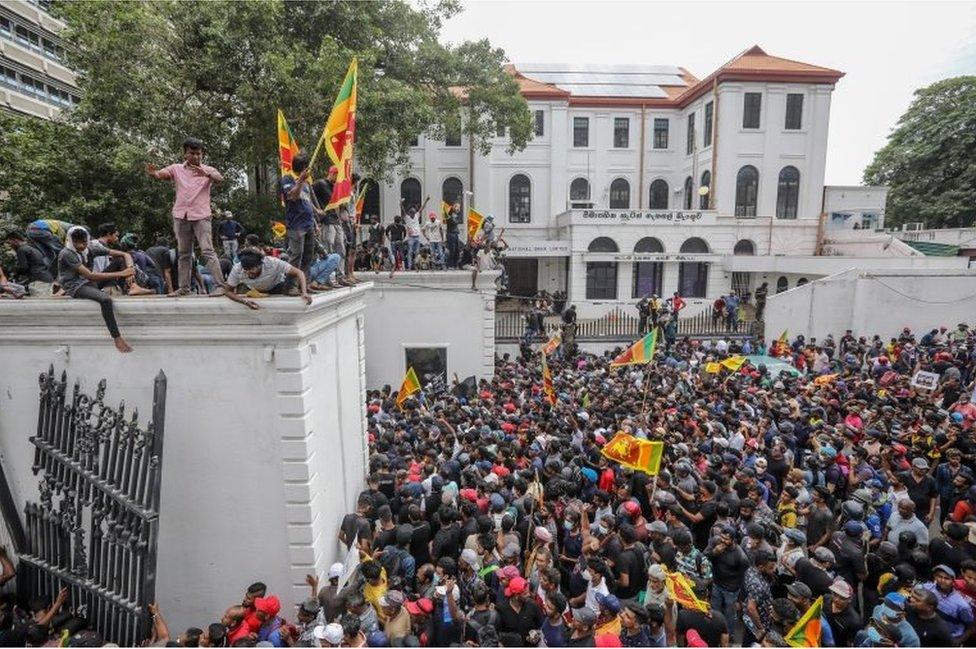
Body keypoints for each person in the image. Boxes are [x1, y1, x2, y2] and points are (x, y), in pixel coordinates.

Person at [146, 137, 230, 297]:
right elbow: (161, 175)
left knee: (207, 251)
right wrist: (153, 173)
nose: (196, 157)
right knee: (183, 253)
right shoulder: (176, 168)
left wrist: (205, 172)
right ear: (185, 154)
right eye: (192, 153)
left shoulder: (208, 170)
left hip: (201, 216)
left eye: (199, 154)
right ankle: (184, 288)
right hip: (181, 215)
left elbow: (220, 179)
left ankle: (220, 286)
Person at [57, 227, 134, 353]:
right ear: (71, 241)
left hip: (91, 283)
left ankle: (133, 287)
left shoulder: (91, 248)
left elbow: (125, 254)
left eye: (84, 242)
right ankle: (117, 338)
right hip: (76, 286)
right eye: (77, 243)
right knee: (105, 300)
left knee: (119, 260)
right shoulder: (67, 254)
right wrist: (122, 273)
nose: (81, 246)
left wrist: (130, 270)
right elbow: (90, 275)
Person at [279, 151, 321, 278]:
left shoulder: (307, 184)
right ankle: (291, 285)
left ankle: (304, 283)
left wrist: (316, 215)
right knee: (297, 255)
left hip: (309, 224)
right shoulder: (288, 179)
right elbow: (292, 196)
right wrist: (300, 181)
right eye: (307, 168)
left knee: (308, 255)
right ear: (303, 168)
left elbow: (307, 201)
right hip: (296, 225)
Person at [226, 248, 311, 306]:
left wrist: (304, 292)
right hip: (252, 290)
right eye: (246, 270)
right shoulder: (237, 269)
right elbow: (228, 291)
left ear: (260, 264)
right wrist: (245, 302)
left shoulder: (272, 262)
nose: (248, 273)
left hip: (276, 286)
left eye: (252, 269)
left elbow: (299, 273)